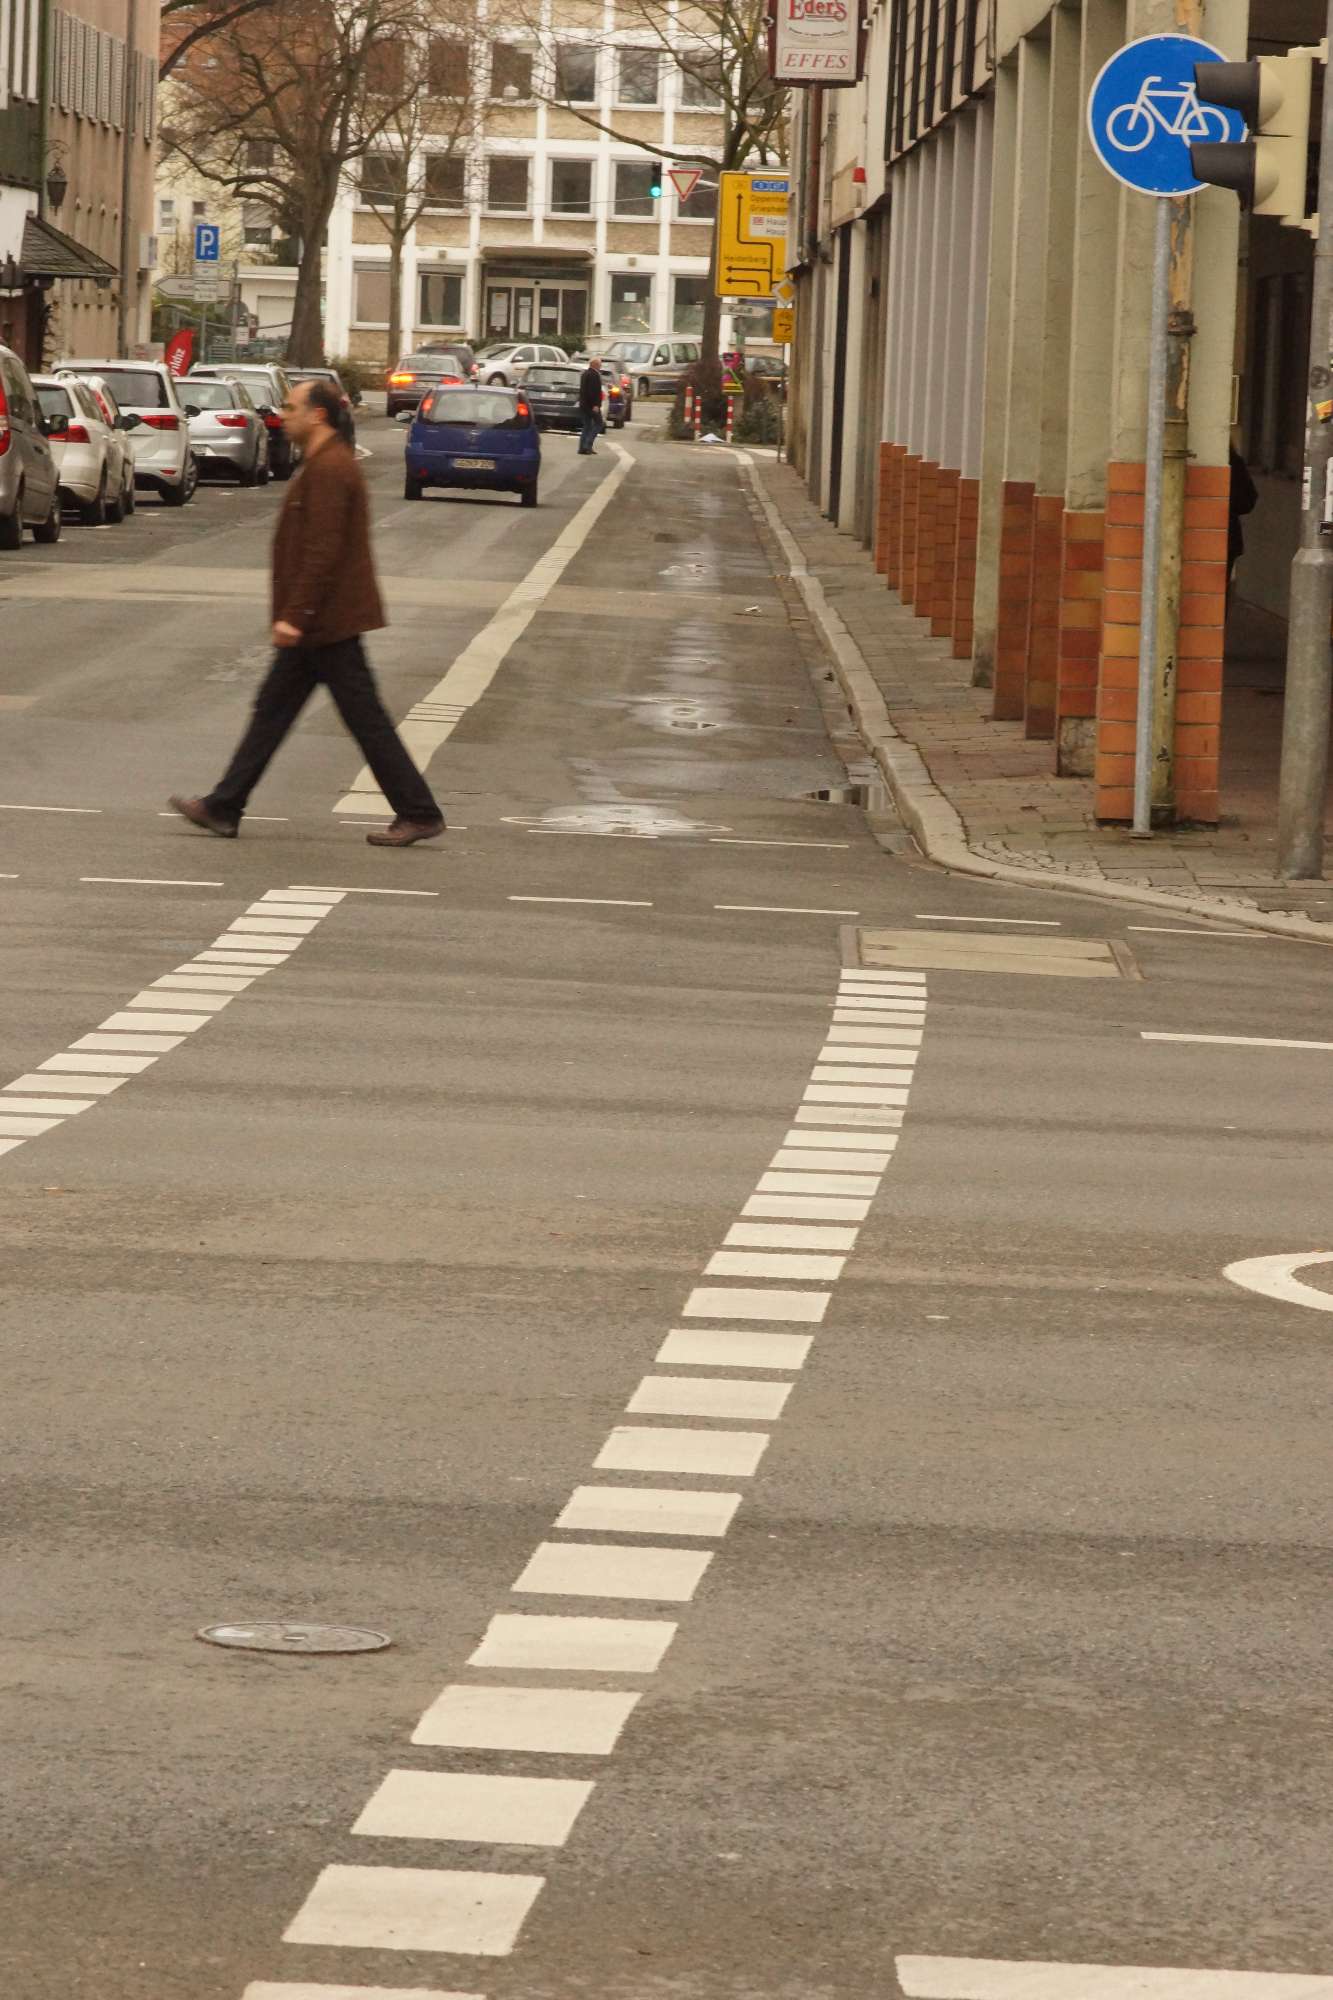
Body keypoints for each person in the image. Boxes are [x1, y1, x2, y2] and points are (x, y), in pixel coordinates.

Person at [170, 378, 445, 848]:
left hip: (326, 622)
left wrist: (296, 615)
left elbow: (323, 550)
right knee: (274, 712)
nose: (284, 414)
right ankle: (225, 805)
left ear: (317, 415)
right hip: (322, 622)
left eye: (292, 406)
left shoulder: (332, 468)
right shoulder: (323, 463)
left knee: (360, 720)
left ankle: (418, 811)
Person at [1227, 442, 1258, 612]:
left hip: (1223, 537)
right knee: (1221, 590)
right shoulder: (1234, 461)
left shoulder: (1231, 462)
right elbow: (1248, 500)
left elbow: (1248, 499)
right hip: (1229, 538)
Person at [577, 357, 604, 455]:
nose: (601, 366)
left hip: (584, 405)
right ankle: (587, 445)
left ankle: (582, 448)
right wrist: (596, 405)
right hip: (591, 406)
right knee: (599, 423)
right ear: (595, 364)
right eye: (600, 364)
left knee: (587, 426)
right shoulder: (594, 375)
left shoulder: (585, 374)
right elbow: (593, 392)